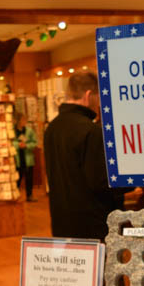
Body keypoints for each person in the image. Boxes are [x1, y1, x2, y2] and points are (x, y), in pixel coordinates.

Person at [44, 71, 129, 241]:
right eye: (99, 97)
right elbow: (101, 182)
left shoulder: (52, 128)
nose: (100, 103)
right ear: (89, 95)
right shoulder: (91, 131)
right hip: (91, 227)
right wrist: (131, 182)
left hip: (61, 223)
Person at [13, 112, 38, 201]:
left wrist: (26, 146)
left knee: (29, 178)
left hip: (28, 158)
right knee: (17, 179)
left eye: (25, 119)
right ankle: (16, 195)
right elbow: (10, 142)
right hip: (17, 159)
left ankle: (29, 195)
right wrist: (18, 145)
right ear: (18, 121)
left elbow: (35, 142)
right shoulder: (13, 131)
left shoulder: (29, 131)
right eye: (23, 120)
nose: (25, 121)